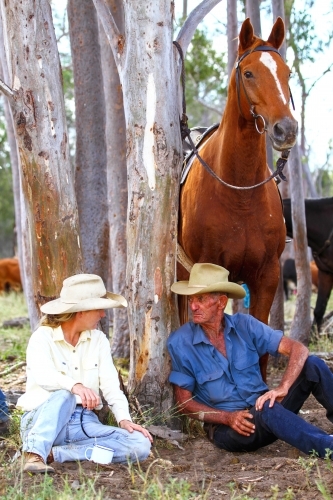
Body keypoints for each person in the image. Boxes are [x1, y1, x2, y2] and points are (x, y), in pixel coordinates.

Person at [167, 263, 333, 458]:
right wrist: (226, 418)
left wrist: (283, 387)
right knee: (268, 410)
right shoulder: (180, 342)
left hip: (267, 412)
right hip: (229, 429)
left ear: (221, 302)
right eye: (191, 298)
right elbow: (183, 402)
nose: (193, 306)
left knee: (313, 365)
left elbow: (298, 349)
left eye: (200, 299)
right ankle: (327, 448)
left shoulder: (245, 325)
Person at [17, 274, 152, 474]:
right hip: (44, 422)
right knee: (65, 395)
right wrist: (75, 386)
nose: (103, 315)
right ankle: (34, 453)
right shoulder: (42, 338)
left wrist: (125, 419)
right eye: (99, 309)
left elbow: (110, 386)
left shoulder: (99, 340)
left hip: (85, 423)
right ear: (81, 311)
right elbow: (43, 376)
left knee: (140, 445)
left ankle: (58, 454)